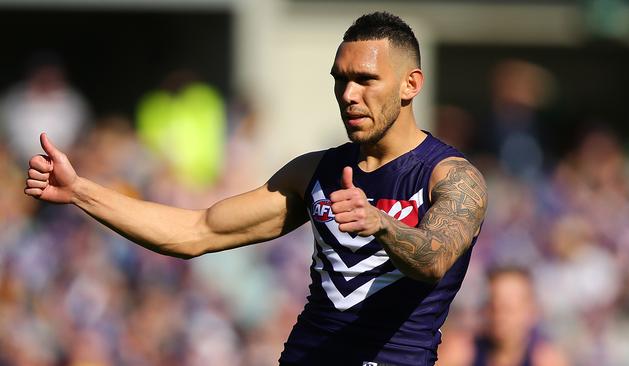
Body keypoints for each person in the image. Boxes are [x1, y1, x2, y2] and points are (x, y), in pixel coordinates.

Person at [24, 12, 487, 366]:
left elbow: (435, 258)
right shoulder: (315, 173)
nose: (349, 94)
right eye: (340, 80)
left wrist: (380, 223)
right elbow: (196, 231)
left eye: (366, 80)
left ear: (411, 84)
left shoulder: (451, 177)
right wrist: (81, 191)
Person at [472, 267, 569, 366]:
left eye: (508, 308)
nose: (499, 316)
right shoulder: (464, 354)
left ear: (532, 311)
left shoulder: (547, 360)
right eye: (492, 306)